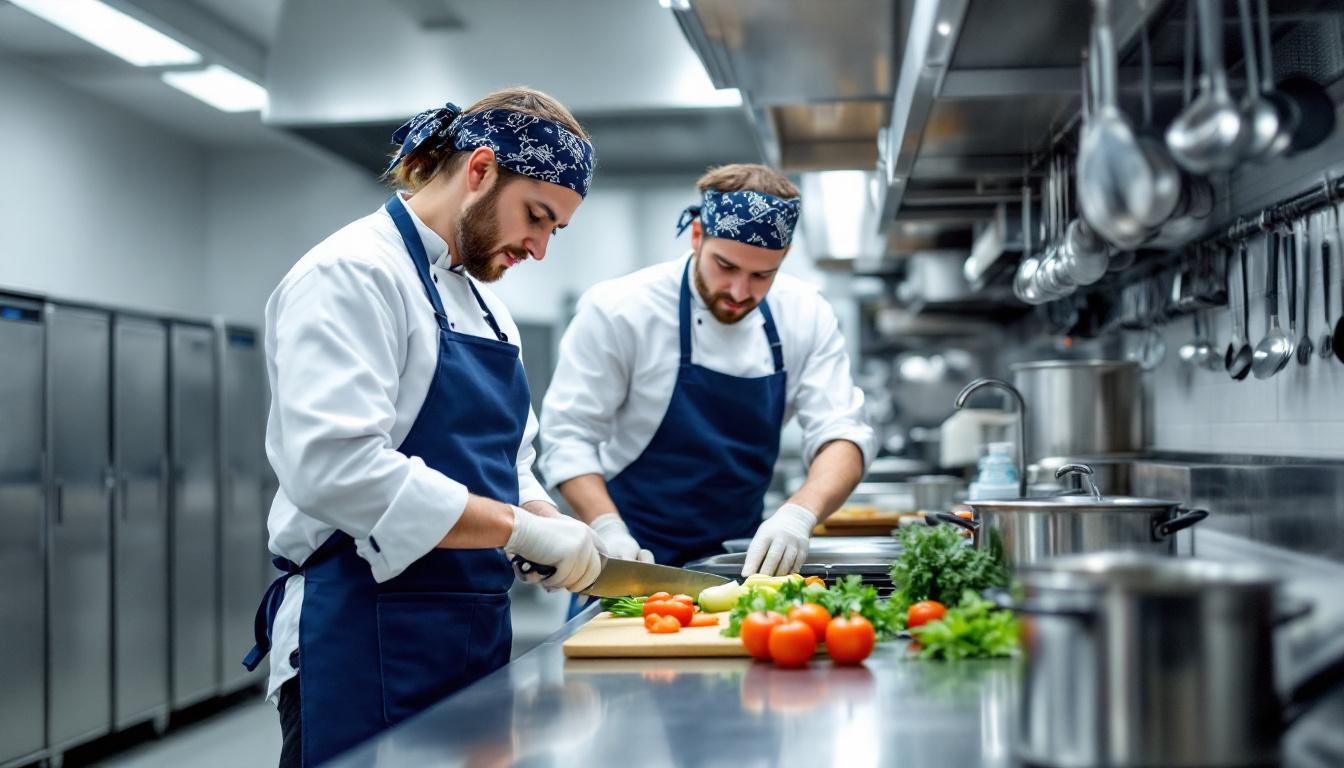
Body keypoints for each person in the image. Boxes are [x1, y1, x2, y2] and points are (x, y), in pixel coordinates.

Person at [241, 87, 602, 768]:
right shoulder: (352, 273)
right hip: (363, 631)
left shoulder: (489, 309)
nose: (540, 247)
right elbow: (336, 469)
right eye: (537, 216)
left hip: (472, 631)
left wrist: (547, 517)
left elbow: (509, 457)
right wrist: (516, 529)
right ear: (480, 170)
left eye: (556, 229)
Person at [539, 163, 874, 585]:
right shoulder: (619, 309)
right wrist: (607, 528)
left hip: (744, 563)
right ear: (697, 236)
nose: (738, 292)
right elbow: (568, 438)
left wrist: (797, 516)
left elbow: (842, 432)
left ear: (784, 259)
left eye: (761, 275)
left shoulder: (805, 313)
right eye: (726, 266)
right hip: (632, 558)